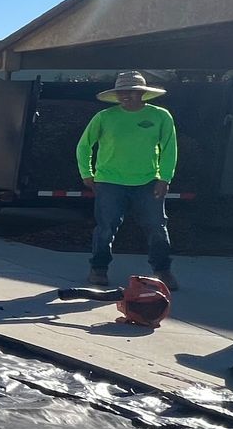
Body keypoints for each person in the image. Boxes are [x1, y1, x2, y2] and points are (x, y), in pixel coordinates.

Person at [76, 71, 178, 288]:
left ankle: (163, 271)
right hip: (109, 181)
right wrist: (87, 173)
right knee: (106, 228)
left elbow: (170, 149)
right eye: (121, 92)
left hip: (148, 181)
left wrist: (165, 178)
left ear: (142, 93)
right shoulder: (104, 117)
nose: (125, 96)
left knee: (157, 227)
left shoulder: (160, 116)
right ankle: (98, 269)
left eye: (131, 92)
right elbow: (84, 145)